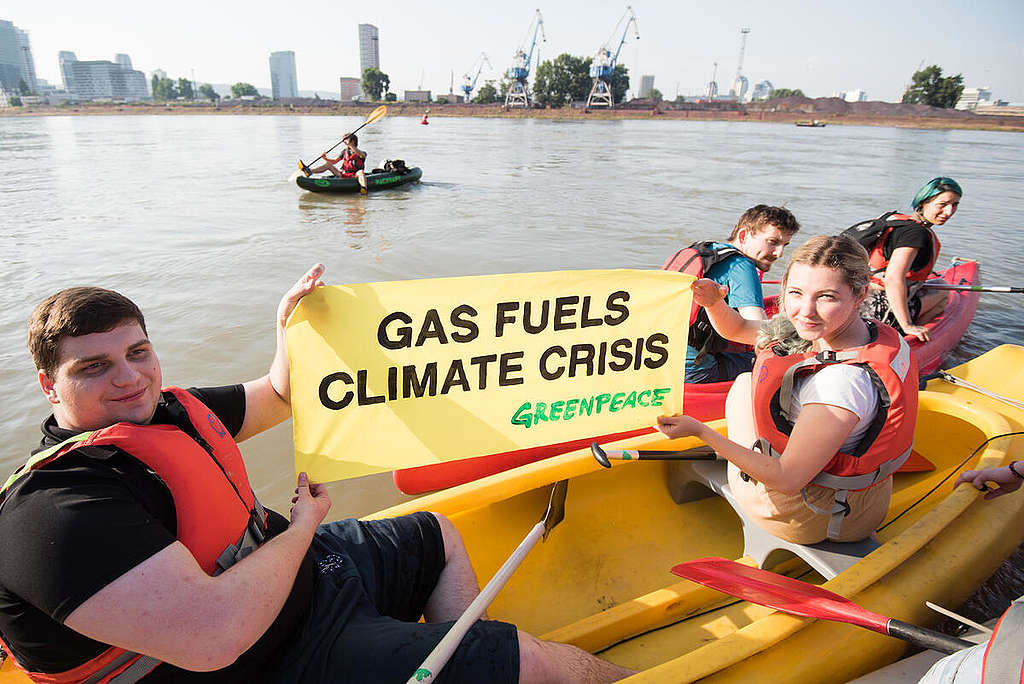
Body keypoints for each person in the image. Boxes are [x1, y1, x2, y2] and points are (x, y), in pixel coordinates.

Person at [0, 265, 633, 683]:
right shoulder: (55, 510)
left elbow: (275, 396)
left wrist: (288, 331)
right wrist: (303, 528)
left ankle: (452, 662)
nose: (129, 376)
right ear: (48, 386)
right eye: (93, 367)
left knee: (435, 531)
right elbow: (212, 639)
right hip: (267, 660)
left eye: (138, 353)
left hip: (300, 586)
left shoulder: (165, 412)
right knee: (523, 660)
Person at [657, 235, 918, 544]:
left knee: (742, 387)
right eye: (796, 293)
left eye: (826, 297)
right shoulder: (864, 333)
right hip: (857, 502)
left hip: (811, 516)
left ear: (860, 294)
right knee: (744, 383)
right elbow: (739, 329)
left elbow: (786, 480)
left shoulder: (841, 383)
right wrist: (714, 303)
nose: (805, 311)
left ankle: (753, 479)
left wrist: (700, 432)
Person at [663, 205, 800, 384]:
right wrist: (799, 336)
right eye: (772, 242)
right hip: (695, 372)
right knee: (782, 361)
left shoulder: (701, 251)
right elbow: (761, 336)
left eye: (785, 245)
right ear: (743, 235)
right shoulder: (741, 266)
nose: (779, 253)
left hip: (661, 360)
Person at [847, 177, 963, 342]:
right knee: (944, 292)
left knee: (938, 286)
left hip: (857, 298)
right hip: (879, 309)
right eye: (942, 204)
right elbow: (894, 278)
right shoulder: (915, 234)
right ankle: (908, 336)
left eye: (955, 205)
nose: (949, 212)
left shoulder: (892, 219)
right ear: (924, 202)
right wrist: (908, 324)